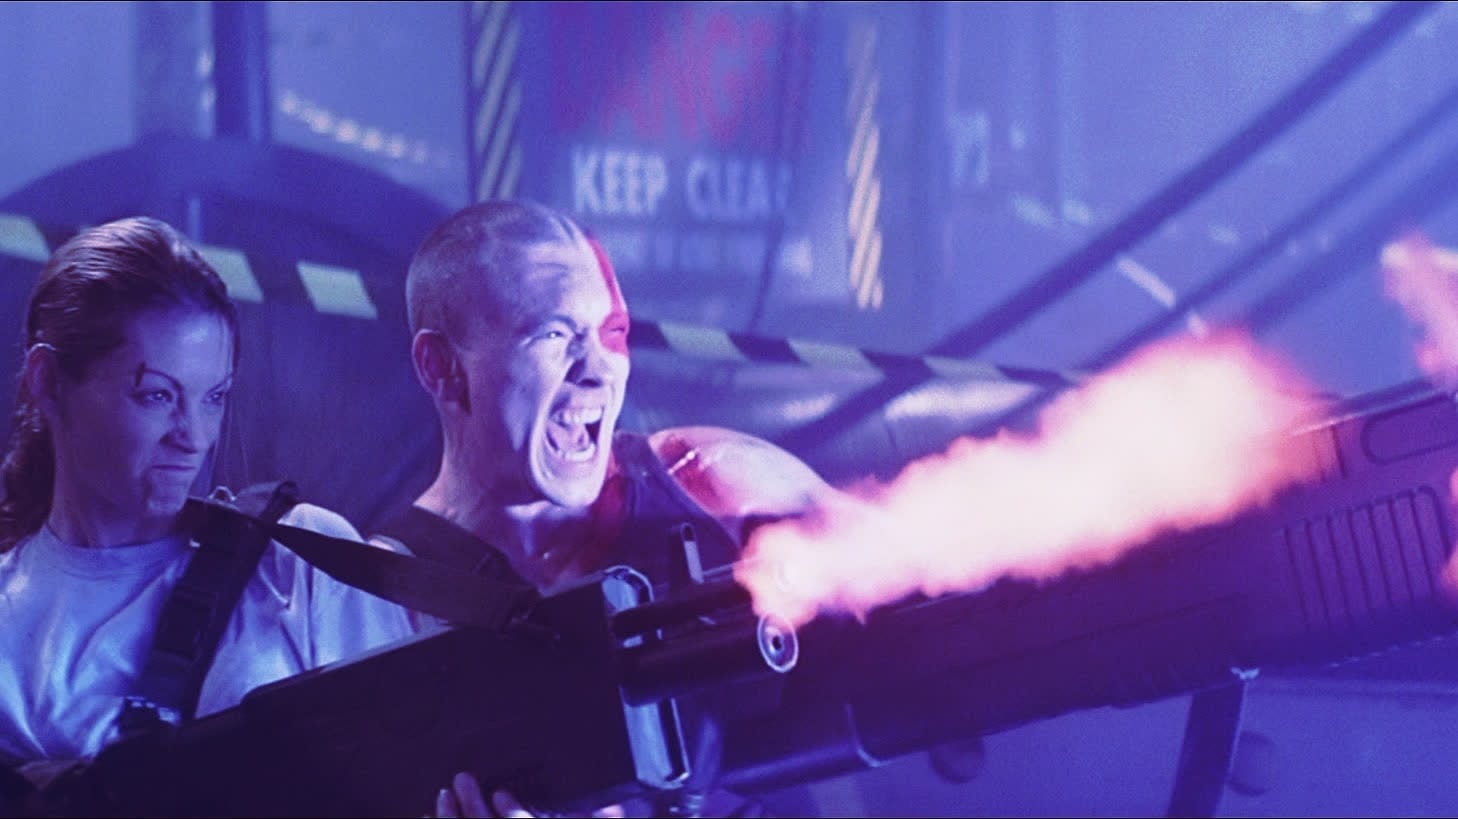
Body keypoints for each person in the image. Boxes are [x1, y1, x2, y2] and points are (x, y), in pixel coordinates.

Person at [376, 199, 848, 817]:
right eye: (552, 334)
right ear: (441, 367)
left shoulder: (708, 483)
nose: (599, 369)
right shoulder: (389, 603)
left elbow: (922, 579)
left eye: (612, 334)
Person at [0, 217, 416, 803]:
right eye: (156, 396)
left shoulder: (300, 565)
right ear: (48, 381)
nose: (193, 437)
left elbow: (412, 779)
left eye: (214, 398)